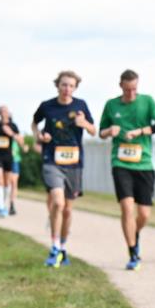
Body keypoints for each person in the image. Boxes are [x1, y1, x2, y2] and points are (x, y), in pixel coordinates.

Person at [99, 69, 155, 270]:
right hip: (120, 163)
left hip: (145, 162)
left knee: (144, 214)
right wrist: (109, 131)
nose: (131, 94)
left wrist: (141, 131)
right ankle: (133, 253)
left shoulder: (147, 101)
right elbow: (101, 132)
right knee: (127, 207)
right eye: (128, 89)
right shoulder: (111, 105)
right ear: (120, 85)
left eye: (134, 89)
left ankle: (134, 232)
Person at [32, 71, 96, 268]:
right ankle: (54, 247)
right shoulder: (47, 106)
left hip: (74, 163)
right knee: (58, 203)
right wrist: (39, 136)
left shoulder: (81, 105)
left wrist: (83, 123)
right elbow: (35, 123)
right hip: (52, 160)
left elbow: (93, 130)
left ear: (75, 88)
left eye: (71, 85)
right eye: (63, 85)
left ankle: (62, 247)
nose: (67, 89)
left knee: (68, 210)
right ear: (57, 86)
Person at [0, 106, 25, 218]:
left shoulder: (13, 126)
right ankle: (1, 207)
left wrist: (11, 134)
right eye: (1, 111)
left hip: (8, 157)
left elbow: (21, 142)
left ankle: (2, 203)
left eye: (5, 111)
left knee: (7, 182)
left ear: (8, 113)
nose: (3, 113)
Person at [8, 130, 25, 214]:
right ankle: (1, 202)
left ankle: (12, 204)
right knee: (8, 183)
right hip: (6, 161)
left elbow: (24, 147)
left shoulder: (18, 136)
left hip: (15, 161)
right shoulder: (4, 135)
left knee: (14, 183)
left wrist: (18, 139)